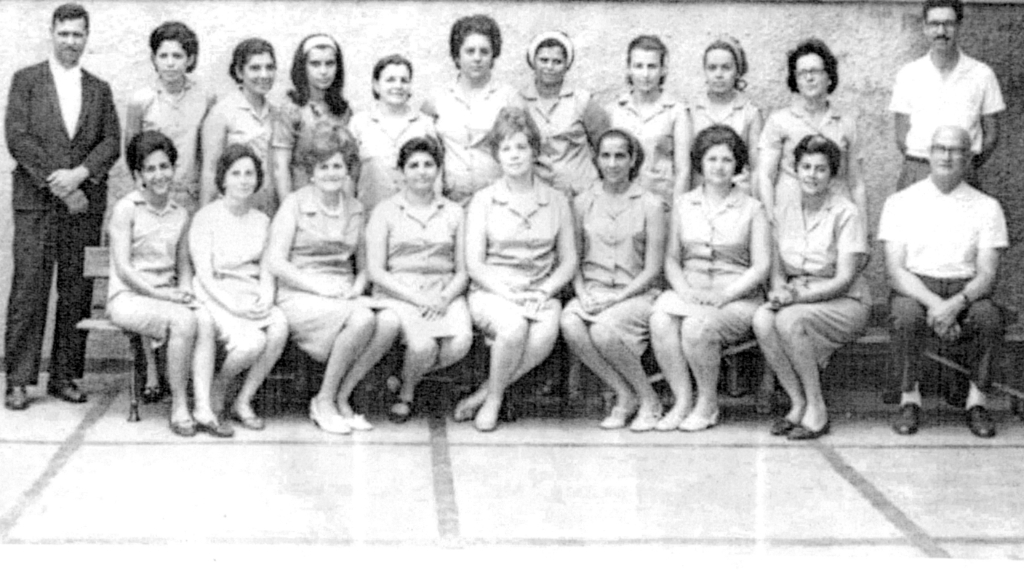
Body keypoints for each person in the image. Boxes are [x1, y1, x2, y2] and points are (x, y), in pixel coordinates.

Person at [4, 3, 120, 411]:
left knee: (76, 289)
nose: (71, 42)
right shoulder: (26, 81)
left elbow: (111, 142)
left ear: (87, 37)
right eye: (65, 33)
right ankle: (18, 379)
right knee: (30, 287)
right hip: (36, 203)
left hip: (82, 205)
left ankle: (66, 375)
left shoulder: (99, 89)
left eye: (78, 34)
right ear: (52, 33)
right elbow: (17, 137)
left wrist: (80, 174)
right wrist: (58, 180)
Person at [266, 131, 400, 434]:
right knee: (363, 318)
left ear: (347, 169)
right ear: (311, 172)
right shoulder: (294, 203)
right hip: (300, 292)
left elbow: (364, 268)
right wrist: (319, 288)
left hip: (341, 292)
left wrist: (354, 289)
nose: (331, 173)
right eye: (323, 167)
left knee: (390, 321)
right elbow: (276, 262)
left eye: (337, 166)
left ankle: (342, 398)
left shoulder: (354, 207)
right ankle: (323, 401)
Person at [878, 126, 1007, 439]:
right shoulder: (901, 201)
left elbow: (987, 274)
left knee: (989, 318)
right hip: (917, 288)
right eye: (940, 148)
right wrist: (937, 306)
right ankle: (910, 399)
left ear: (968, 157)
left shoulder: (987, 206)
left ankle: (977, 402)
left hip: (966, 291)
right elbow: (895, 270)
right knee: (906, 316)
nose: (947, 156)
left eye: (957, 150)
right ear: (929, 153)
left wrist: (956, 303)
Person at [458, 107, 577, 431]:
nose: (514, 155)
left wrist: (543, 291)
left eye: (521, 147)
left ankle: (485, 392)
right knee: (512, 328)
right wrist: (507, 293)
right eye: (506, 148)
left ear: (534, 151)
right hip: (494, 290)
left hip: (540, 290)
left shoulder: (556, 200)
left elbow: (568, 262)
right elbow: (474, 264)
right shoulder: (484, 200)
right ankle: (495, 401)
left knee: (542, 336)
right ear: (497, 155)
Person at [649, 125, 770, 431]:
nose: (718, 167)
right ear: (700, 164)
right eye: (711, 159)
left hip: (736, 297)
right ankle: (682, 400)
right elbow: (672, 260)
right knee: (661, 318)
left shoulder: (753, 208)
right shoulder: (683, 204)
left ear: (738, 165)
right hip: (690, 290)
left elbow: (760, 266)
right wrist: (685, 291)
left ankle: (707, 403)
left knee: (696, 327)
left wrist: (725, 295)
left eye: (727, 160)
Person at [752, 135, 870, 440]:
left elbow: (844, 279)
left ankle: (817, 409)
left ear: (832, 174)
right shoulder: (783, 210)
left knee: (791, 320)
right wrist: (779, 292)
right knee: (763, 319)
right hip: (796, 295)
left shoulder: (846, 213)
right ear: (795, 170)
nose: (812, 175)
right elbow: (777, 270)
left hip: (844, 301)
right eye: (806, 167)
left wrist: (794, 298)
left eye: (821, 169)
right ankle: (797, 402)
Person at [107, 131, 218, 437]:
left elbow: (183, 268)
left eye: (165, 166)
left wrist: (184, 291)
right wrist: (161, 295)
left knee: (205, 319)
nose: (159, 175)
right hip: (128, 298)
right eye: (151, 169)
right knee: (183, 321)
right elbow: (124, 268)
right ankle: (179, 406)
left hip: (165, 296)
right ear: (137, 175)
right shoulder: (126, 209)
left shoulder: (180, 213)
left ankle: (204, 408)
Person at [560, 129, 667, 430]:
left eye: (620, 155)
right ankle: (624, 394)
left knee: (605, 330)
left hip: (636, 293)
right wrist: (581, 293)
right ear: (596, 160)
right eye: (606, 156)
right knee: (570, 322)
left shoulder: (651, 205)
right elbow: (574, 260)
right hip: (593, 291)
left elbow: (653, 269)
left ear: (633, 160)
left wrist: (617, 298)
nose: (613, 163)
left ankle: (649, 398)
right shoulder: (582, 203)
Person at [365, 137, 473, 422]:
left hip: (443, 290)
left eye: (428, 164)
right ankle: (407, 394)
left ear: (438, 170)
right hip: (399, 291)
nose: (422, 171)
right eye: (413, 165)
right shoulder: (384, 211)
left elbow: (463, 270)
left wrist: (444, 298)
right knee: (423, 346)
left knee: (460, 343)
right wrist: (417, 298)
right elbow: (376, 270)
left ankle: (401, 377)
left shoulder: (454, 212)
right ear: (401, 172)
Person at [189, 144, 289, 435]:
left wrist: (266, 297)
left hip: (251, 292)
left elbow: (268, 268)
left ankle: (243, 400)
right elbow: (204, 276)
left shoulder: (263, 220)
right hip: (216, 294)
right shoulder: (206, 217)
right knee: (250, 344)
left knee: (280, 326)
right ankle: (220, 388)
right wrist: (233, 305)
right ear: (223, 178)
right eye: (236, 173)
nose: (243, 180)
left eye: (249, 173)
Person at [890, 0, 1005, 190]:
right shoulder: (908, 74)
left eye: (948, 24)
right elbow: (901, 136)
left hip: (963, 172)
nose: (941, 31)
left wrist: (966, 165)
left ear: (959, 26)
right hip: (918, 170)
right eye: (934, 24)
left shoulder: (982, 74)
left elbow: (991, 135)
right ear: (925, 27)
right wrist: (925, 164)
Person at [758, 38, 866, 234]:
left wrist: (863, 229)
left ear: (829, 77)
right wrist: (770, 217)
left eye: (815, 71)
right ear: (795, 81)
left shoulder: (846, 123)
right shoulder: (779, 121)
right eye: (802, 73)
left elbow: (856, 183)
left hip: (834, 218)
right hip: (789, 215)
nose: (809, 78)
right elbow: (764, 176)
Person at [422, 14, 516, 207]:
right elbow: (425, 150)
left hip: (497, 201)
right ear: (457, 55)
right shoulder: (437, 99)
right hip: (450, 201)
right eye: (470, 51)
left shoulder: (508, 98)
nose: (477, 58)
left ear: (493, 56)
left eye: (484, 51)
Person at [124, 21, 214, 213]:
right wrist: (142, 186)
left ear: (190, 59)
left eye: (177, 56)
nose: (170, 63)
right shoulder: (141, 100)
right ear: (154, 59)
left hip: (191, 194)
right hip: (153, 194)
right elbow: (132, 151)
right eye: (163, 56)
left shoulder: (205, 98)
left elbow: (209, 151)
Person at [514, 30, 607, 198]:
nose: (549, 67)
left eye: (557, 62)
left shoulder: (582, 101)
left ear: (567, 65)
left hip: (581, 194)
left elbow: (606, 145)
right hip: (538, 195)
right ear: (533, 62)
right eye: (543, 60)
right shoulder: (520, 102)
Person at [605, 35, 692, 200]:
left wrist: (677, 214)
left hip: (661, 204)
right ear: (628, 69)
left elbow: (683, 171)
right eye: (638, 66)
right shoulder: (614, 110)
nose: (645, 74)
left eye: (652, 66)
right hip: (622, 204)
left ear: (663, 70)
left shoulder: (676, 112)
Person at [349, 54, 437, 210]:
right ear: (376, 85)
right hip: (370, 219)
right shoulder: (359, 124)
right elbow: (349, 176)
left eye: (404, 80)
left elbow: (436, 178)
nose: (398, 86)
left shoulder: (425, 125)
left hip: (415, 219)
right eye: (390, 80)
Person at [272, 33, 352, 203]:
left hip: (336, 202)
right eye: (315, 64)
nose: (323, 71)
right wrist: (289, 211)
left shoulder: (343, 111)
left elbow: (349, 165)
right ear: (303, 67)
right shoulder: (291, 109)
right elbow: (281, 167)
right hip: (302, 202)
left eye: (329, 63)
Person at [200, 38, 278, 213]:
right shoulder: (221, 113)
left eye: (269, 67)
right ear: (239, 71)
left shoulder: (277, 114)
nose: (264, 75)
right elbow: (210, 171)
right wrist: (204, 217)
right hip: (232, 212)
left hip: (268, 211)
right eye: (255, 68)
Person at [689, 36, 763, 197]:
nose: (719, 74)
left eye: (726, 68)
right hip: (699, 196)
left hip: (738, 195)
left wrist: (756, 203)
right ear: (705, 71)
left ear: (737, 71)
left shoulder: (750, 113)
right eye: (712, 68)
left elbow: (757, 167)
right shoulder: (691, 111)